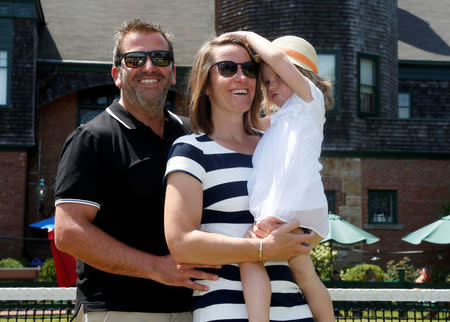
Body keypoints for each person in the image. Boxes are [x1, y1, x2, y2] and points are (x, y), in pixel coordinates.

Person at [54, 19, 219, 322]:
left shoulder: (191, 136)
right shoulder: (92, 138)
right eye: (134, 59)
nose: (148, 66)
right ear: (117, 74)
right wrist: (156, 268)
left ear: (171, 73)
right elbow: (68, 233)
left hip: (192, 309)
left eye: (160, 58)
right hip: (118, 311)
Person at [164, 34, 317, 322]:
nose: (241, 77)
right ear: (205, 84)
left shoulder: (278, 141)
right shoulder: (191, 150)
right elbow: (180, 243)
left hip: (296, 309)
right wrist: (261, 248)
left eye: (249, 69)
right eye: (227, 68)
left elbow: (308, 215)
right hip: (224, 311)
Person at [221, 31, 334, 322]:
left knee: (249, 256)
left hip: (286, 208)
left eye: (279, 78)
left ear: (301, 75)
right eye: (266, 82)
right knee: (304, 274)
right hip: (301, 211)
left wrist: (246, 36)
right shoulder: (279, 120)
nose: (272, 87)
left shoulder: (309, 101)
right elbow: (245, 121)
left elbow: (277, 58)